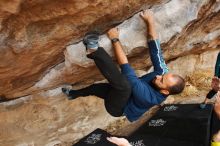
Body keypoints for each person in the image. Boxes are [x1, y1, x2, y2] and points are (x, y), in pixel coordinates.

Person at [62, 10, 185, 122]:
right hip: (125, 93)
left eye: (161, 80)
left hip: (118, 108)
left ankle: (93, 49)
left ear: (164, 91)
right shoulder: (162, 73)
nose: (159, 76)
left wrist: (115, 39)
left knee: (125, 86)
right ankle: (72, 94)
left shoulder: (149, 98)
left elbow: (126, 68)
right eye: (163, 75)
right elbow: (155, 50)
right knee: (95, 88)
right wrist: (150, 21)